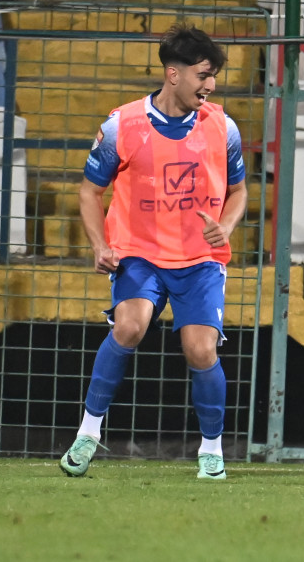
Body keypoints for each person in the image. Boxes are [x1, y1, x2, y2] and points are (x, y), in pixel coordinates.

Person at [59, 24, 248, 480]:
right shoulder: (121, 125)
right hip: (139, 252)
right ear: (173, 74)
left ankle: (212, 449)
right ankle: (88, 433)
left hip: (199, 259)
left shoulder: (223, 127)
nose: (211, 85)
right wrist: (100, 246)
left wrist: (225, 226)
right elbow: (89, 192)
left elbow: (240, 190)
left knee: (200, 351)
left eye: (214, 76)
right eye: (204, 75)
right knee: (130, 326)